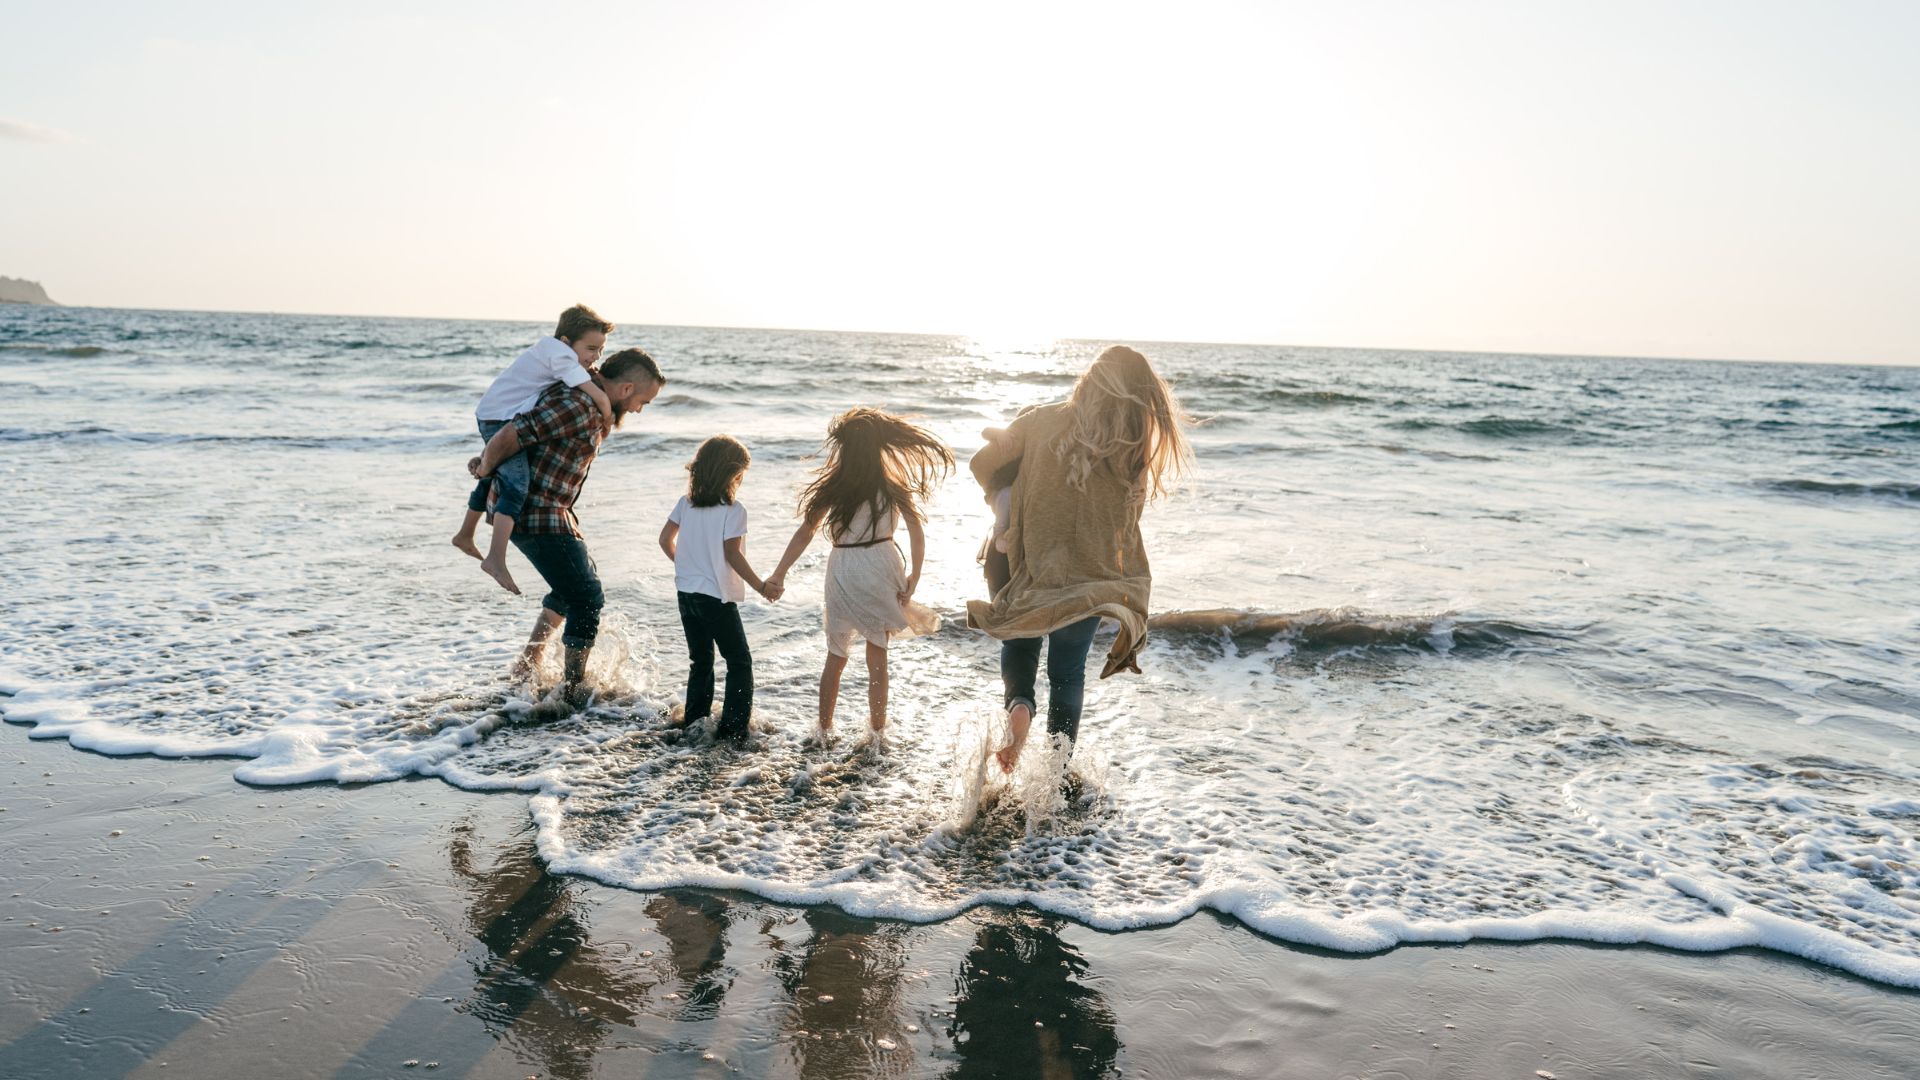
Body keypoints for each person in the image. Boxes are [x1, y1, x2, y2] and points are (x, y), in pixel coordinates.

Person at [965, 345, 1192, 773]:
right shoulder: (1130, 453)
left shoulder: (1038, 420)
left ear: (1087, 382)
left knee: (1020, 644)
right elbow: (1127, 522)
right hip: (1089, 582)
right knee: (1067, 675)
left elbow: (982, 465)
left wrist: (1009, 456)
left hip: (1025, 568)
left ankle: (1019, 708)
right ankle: (1055, 773)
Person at [468, 346, 666, 711]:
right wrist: (485, 467)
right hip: (535, 513)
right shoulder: (579, 405)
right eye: (643, 401)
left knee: (573, 585)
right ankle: (574, 689)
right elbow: (513, 433)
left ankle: (527, 666)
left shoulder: (590, 403)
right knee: (587, 597)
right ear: (625, 389)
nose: (639, 409)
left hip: (552, 511)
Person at [765, 408, 952, 741]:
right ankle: (877, 732)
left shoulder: (835, 486)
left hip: (843, 568)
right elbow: (916, 530)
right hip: (881, 562)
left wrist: (779, 573)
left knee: (836, 654)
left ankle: (823, 729)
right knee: (877, 655)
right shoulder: (893, 486)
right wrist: (916, 576)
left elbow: (806, 532)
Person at [454, 304, 617, 596]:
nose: (595, 358)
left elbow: (581, 374)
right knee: (517, 485)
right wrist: (605, 405)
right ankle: (495, 558)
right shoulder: (559, 354)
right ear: (566, 341)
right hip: (499, 419)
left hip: (496, 414)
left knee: (494, 476)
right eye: (591, 349)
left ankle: (465, 534)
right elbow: (587, 387)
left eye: (601, 351)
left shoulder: (556, 354)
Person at [657, 435, 780, 742]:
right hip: (715, 597)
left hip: (686, 592)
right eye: (741, 475)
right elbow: (732, 553)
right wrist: (762, 585)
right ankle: (734, 728)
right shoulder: (733, 510)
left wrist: (686, 566)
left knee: (701, 661)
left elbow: (664, 540)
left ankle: (695, 723)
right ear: (732, 474)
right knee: (739, 660)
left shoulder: (686, 504)